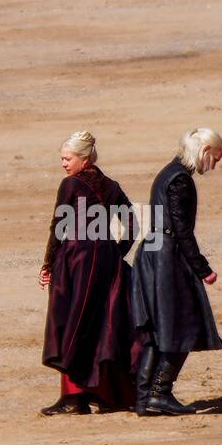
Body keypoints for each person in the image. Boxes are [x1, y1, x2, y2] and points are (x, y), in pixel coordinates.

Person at [39, 131, 139, 415]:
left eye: (67, 158)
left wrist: (48, 264)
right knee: (105, 325)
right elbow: (132, 226)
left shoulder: (70, 184)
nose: (63, 164)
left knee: (71, 323)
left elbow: (58, 225)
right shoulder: (112, 185)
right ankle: (107, 395)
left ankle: (74, 398)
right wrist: (114, 254)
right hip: (106, 260)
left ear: (84, 160)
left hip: (76, 259)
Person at [131, 128, 222, 416]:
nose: (214, 165)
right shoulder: (180, 180)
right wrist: (202, 268)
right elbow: (182, 229)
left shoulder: (168, 172)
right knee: (181, 325)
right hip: (166, 256)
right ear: (204, 151)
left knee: (157, 329)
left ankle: (144, 397)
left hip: (152, 251)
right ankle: (160, 393)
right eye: (215, 158)